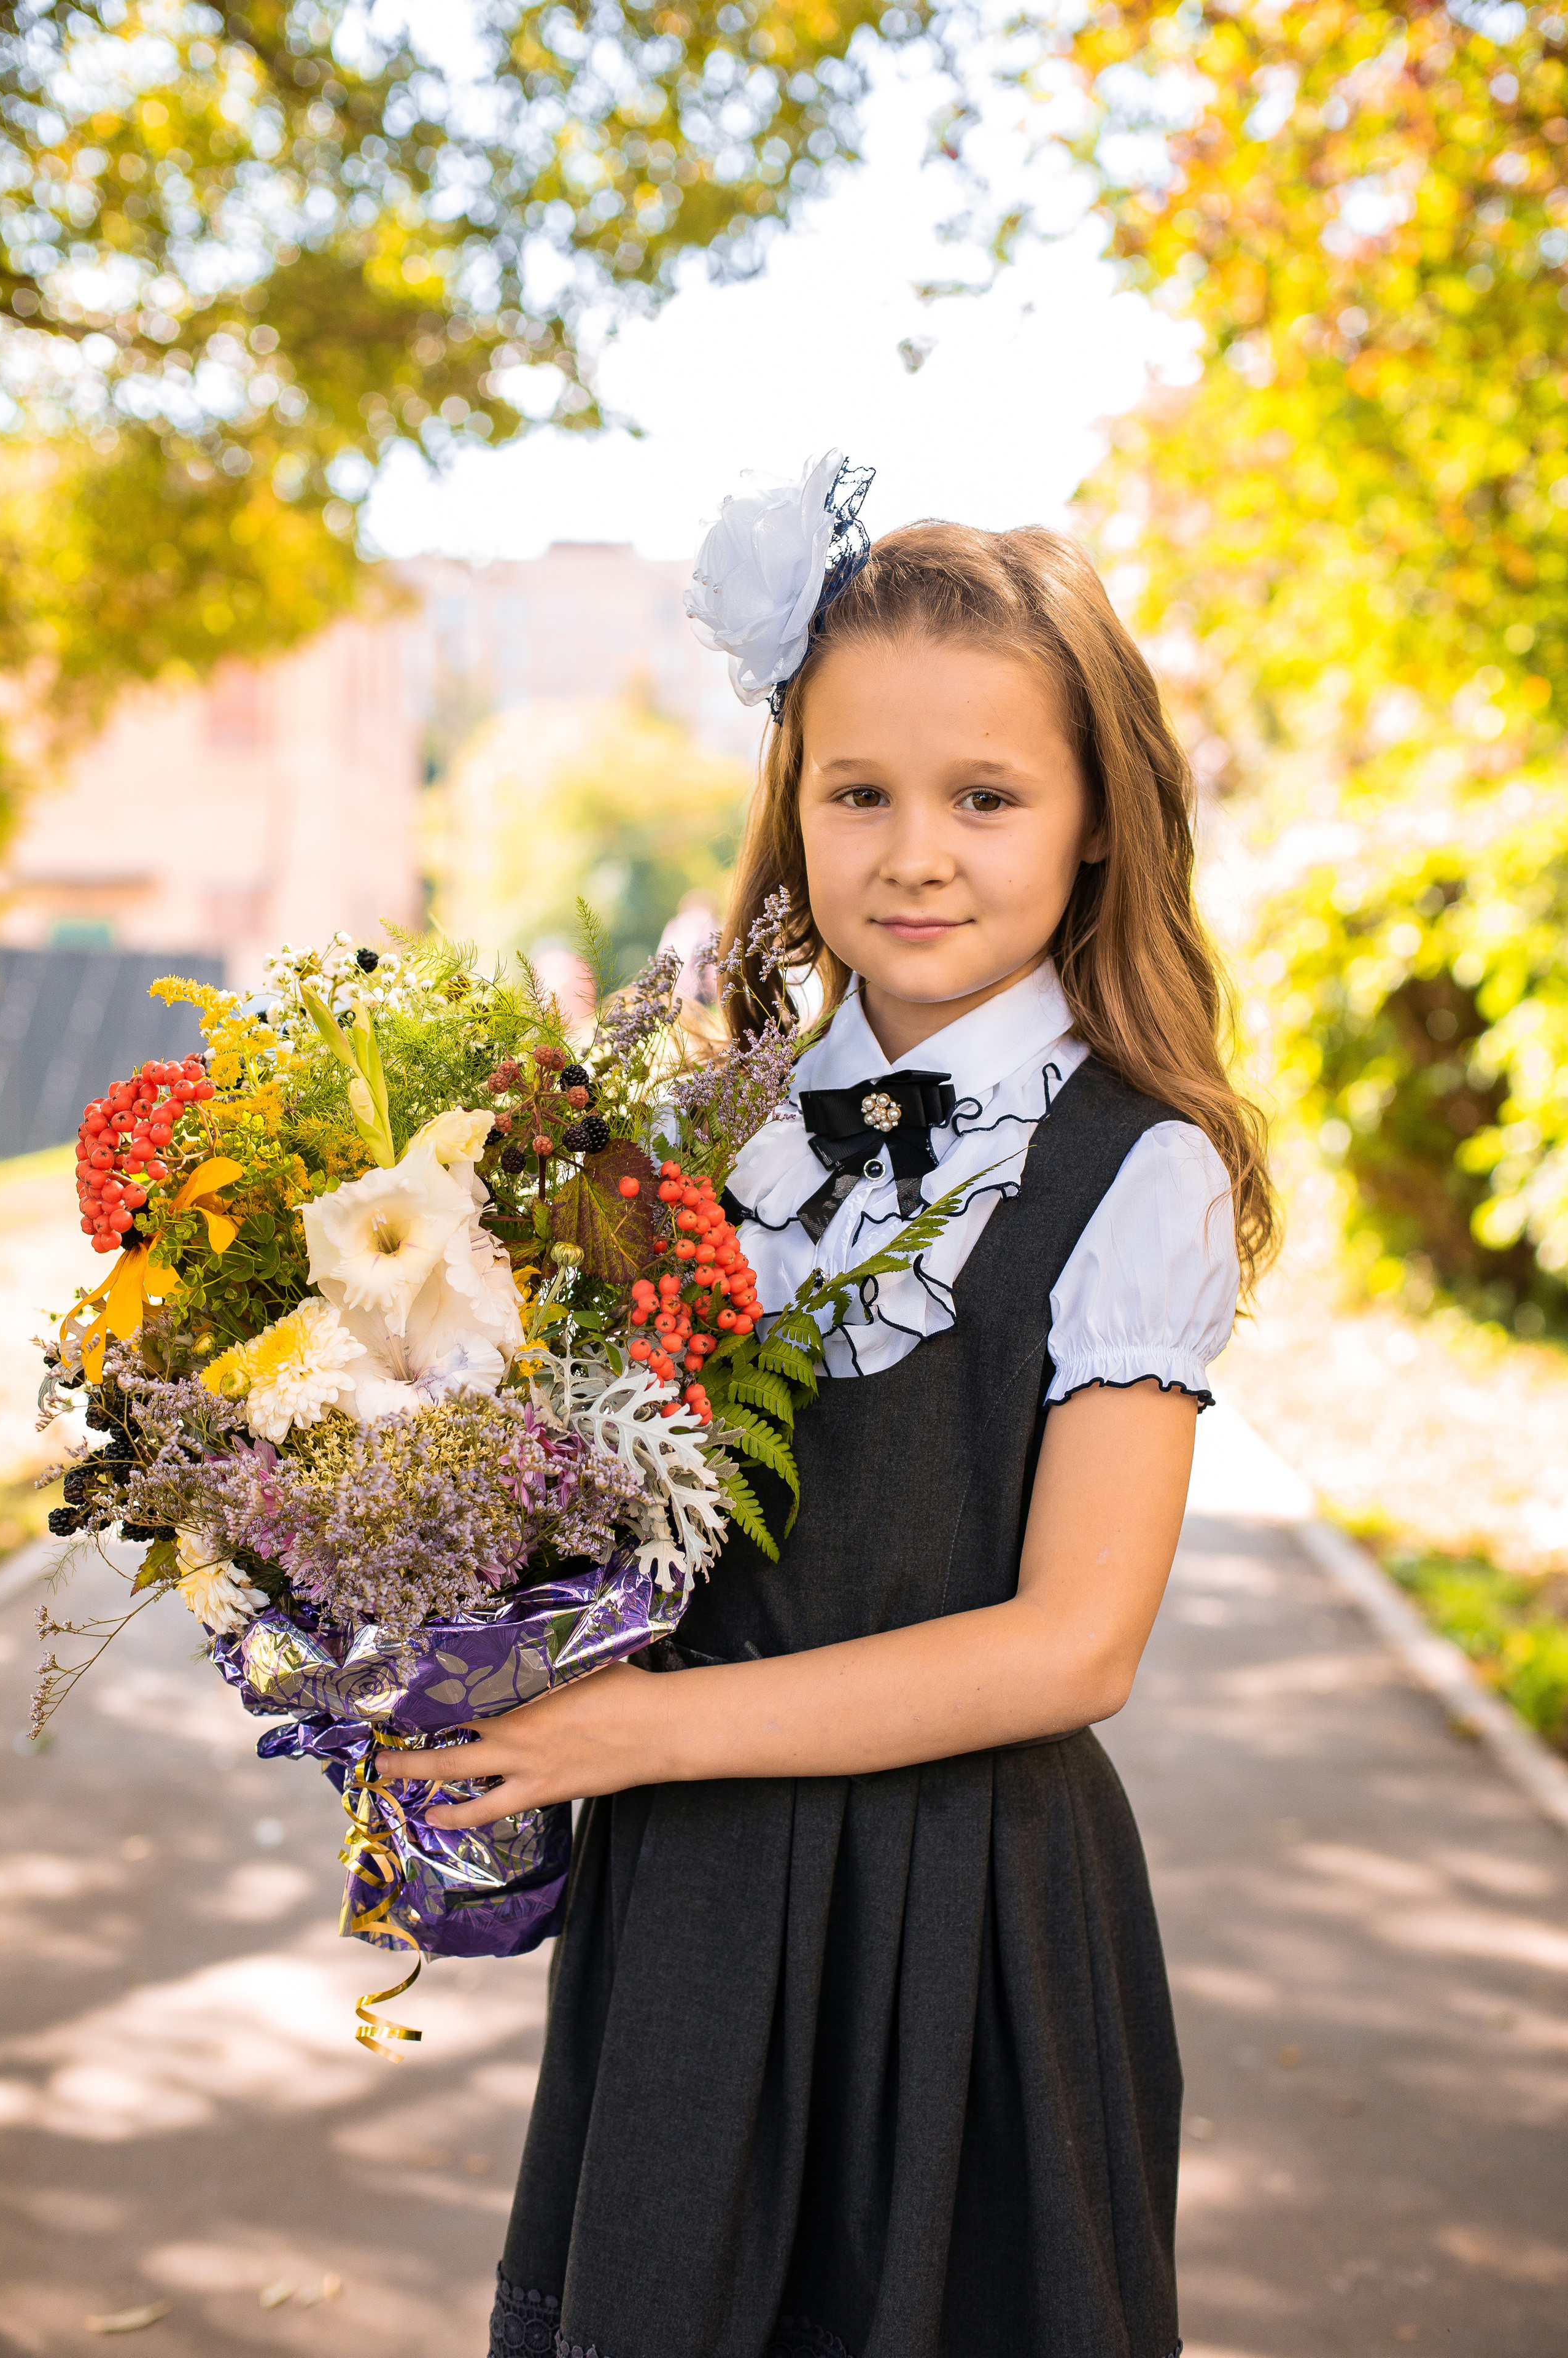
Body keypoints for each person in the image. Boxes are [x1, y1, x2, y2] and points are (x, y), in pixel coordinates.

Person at [392, 461, 1275, 2358]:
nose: (914, 851)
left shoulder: (1138, 1169)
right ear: (792, 809)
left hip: (965, 1929)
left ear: (1100, 824)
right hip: (694, 1912)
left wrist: (641, 1734)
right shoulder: (704, 1125)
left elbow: (1075, 1646)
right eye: (857, 791)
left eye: (986, 795)